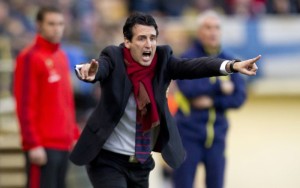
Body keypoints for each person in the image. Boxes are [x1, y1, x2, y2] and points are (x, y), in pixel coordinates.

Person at [70, 12, 260, 188]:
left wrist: (232, 66)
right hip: (108, 160)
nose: (149, 44)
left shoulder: (163, 60)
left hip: (141, 163)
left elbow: (195, 66)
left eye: (152, 38)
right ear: (127, 41)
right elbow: (101, 67)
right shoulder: (113, 56)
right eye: (142, 38)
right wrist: (89, 72)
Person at [172, 11, 247, 188]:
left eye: (216, 28)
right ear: (199, 32)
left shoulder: (231, 60)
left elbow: (239, 97)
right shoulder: (186, 58)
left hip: (217, 137)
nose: (213, 32)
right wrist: (219, 87)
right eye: (207, 27)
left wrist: (213, 101)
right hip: (187, 134)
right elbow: (188, 89)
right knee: (183, 184)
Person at [13, 7, 80, 188]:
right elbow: (25, 104)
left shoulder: (61, 56)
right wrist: (32, 143)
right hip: (42, 145)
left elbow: (66, 101)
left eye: (60, 24)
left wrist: (73, 133)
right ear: (39, 25)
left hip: (63, 143)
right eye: (51, 24)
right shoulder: (29, 57)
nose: (57, 29)